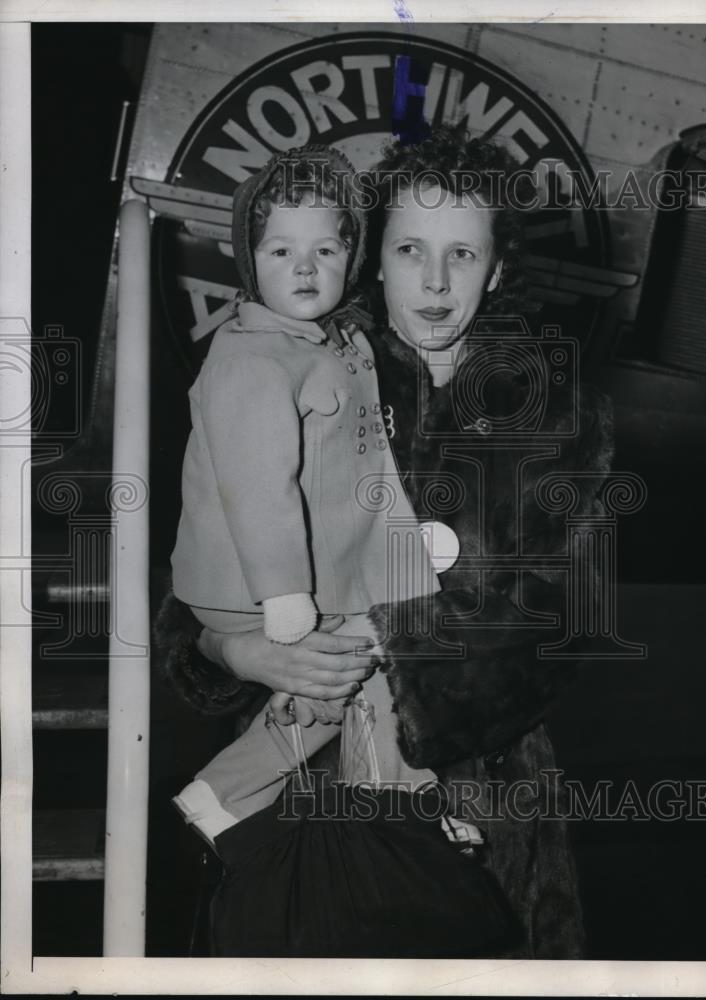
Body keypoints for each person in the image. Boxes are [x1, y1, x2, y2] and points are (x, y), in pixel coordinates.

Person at [155, 123, 614, 958]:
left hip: (482, 791)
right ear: (373, 257)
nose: (434, 282)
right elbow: (208, 554)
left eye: (463, 255)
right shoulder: (312, 361)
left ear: (498, 267)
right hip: (290, 764)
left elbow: (562, 622)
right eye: (410, 248)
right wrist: (235, 651)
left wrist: (392, 634)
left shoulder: (554, 411)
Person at [169, 144, 445, 844]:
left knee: (354, 672)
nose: (303, 267)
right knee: (358, 658)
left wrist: (410, 549)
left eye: (325, 250)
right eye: (279, 249)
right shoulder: (252, 356)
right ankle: (389, 809)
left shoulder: (334, 344)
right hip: (258, 584)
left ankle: (230, 795)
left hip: (327, 581)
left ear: (351, 260)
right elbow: (259, 484)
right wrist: (278, 600)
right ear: (248, 259)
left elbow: (363, 468)